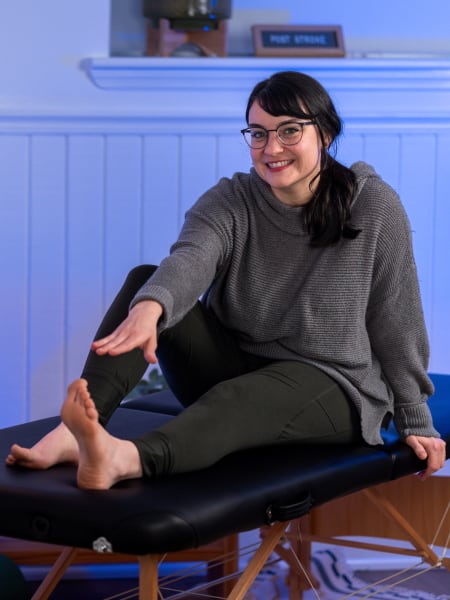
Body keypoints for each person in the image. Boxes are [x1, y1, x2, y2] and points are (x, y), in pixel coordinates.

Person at [6, 71, 446, 490]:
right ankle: (75, 432)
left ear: (325, 134)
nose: (271, 147)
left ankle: (125, 459)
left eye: (289, 130)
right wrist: (149, 309)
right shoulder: (232, 199)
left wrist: (414, 418)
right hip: (232, 365)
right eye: (258, 133)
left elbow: (397, 319)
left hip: (332, 384)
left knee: (239, 399)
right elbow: (191, 258)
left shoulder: (373, 206)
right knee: (148, 281)